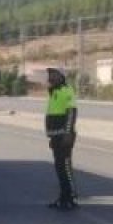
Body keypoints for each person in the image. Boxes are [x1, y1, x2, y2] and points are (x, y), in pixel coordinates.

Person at [45, 67, 79, 210]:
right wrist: (51, 136)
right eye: (50, 74)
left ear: (61, 76)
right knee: (59, 168)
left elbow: (71, 113)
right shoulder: (53, 92)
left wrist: (68, 133)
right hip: (55, 136)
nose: (51, 76)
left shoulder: (67, 90)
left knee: (65, 167)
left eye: (54, 74)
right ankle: (62, 197)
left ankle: (71, 197)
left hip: (64, 136)